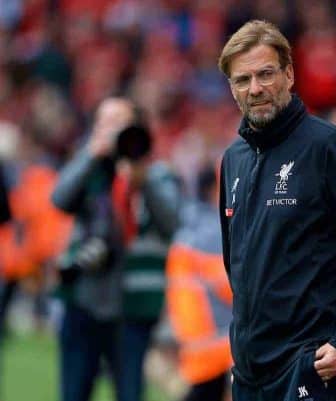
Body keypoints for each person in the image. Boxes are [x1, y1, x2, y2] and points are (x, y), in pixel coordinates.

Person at [217, 20, 336, 401]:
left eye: (266, 74)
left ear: (289, 74)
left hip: (313, 365)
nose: (255, 89)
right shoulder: (233, 159)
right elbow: (234, 262)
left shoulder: (329, 148)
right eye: (242, 80)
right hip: (250, 372)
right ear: (232, 89)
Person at [51, 97, 181, 401]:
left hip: (133, 307)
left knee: (130, 392)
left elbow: (173, 223)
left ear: (137, 128)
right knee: (73, 392)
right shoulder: (90, 169)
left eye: (118, 122)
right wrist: (89, 156)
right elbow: (59, 199)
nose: (111, 130)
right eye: (103, 122)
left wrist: (142, 179)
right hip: (83, 299)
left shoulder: (158, 174)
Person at [166, 164, 233, 401]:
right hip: (218, 347)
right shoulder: (214, 234)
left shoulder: (186, 230)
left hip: (195, 345)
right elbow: (234, 288)